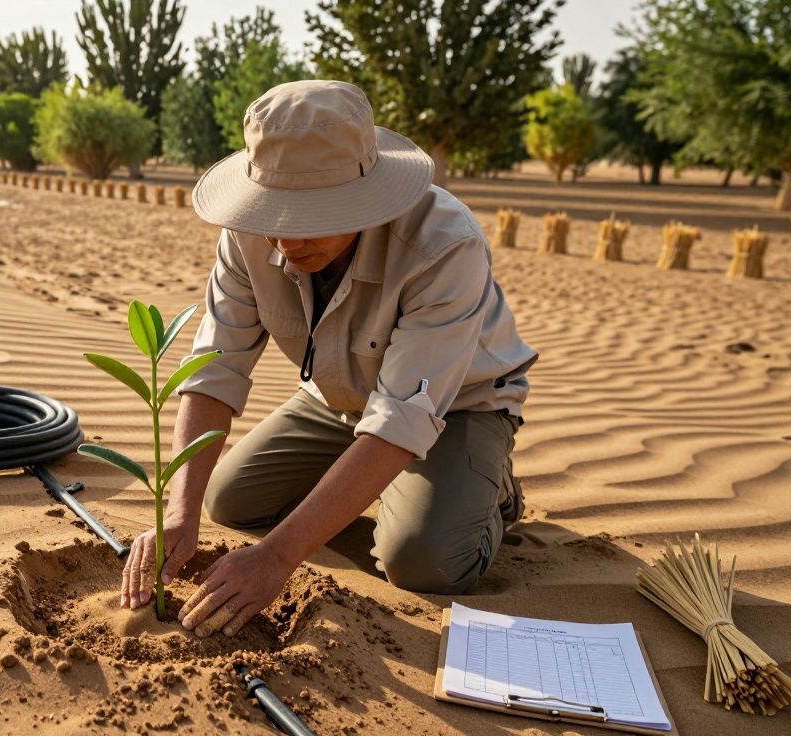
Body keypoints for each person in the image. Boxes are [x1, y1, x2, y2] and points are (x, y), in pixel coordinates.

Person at [118, 80, 539, 638]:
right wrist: (178, 512)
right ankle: (382, 485)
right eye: (273, 211)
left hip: (458, 406)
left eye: (310, 215)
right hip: (338, 398)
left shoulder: (443, 244)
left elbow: (402, 417)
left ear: (368, 200)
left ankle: (492, 491)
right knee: (227, 500)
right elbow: (214, 370)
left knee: (422, 561)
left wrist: (275, 558)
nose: (282, 238)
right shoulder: (248, 236)